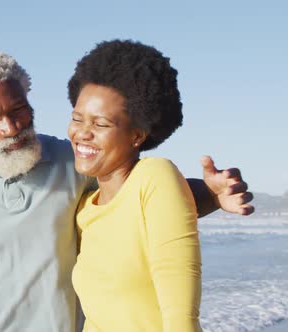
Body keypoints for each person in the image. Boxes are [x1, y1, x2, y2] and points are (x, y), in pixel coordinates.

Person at [0, 52, 253, 332]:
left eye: (19, 110)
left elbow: (139, 196)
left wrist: (210, 193)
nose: (10, 128)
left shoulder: (72, 161)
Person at [68, 40, 204, 331]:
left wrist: (214, 193)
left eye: (101, 124)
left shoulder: (155, 177)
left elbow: (182, 318)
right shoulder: (84, 208)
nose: (82, 133)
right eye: (77, 119)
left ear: (137, 135)